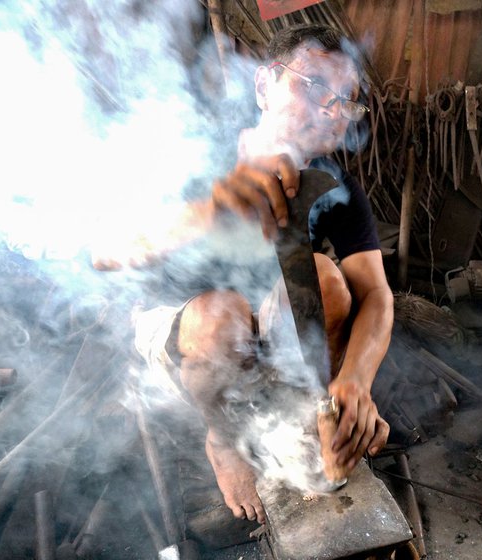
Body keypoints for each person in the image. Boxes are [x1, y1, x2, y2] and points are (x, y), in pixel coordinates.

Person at [93, 23, 393, 525]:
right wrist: (209, 207)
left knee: (326, 278)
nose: (331, 109)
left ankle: (308, 411)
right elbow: (102, 252)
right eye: (315, 85)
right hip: (184, 337)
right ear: (263, 86)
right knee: (223, 315)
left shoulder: (336, 189)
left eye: (347, 99)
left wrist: (357, 381)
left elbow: (378, 296)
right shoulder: (193, 148)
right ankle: (223, 438)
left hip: (270, 336)